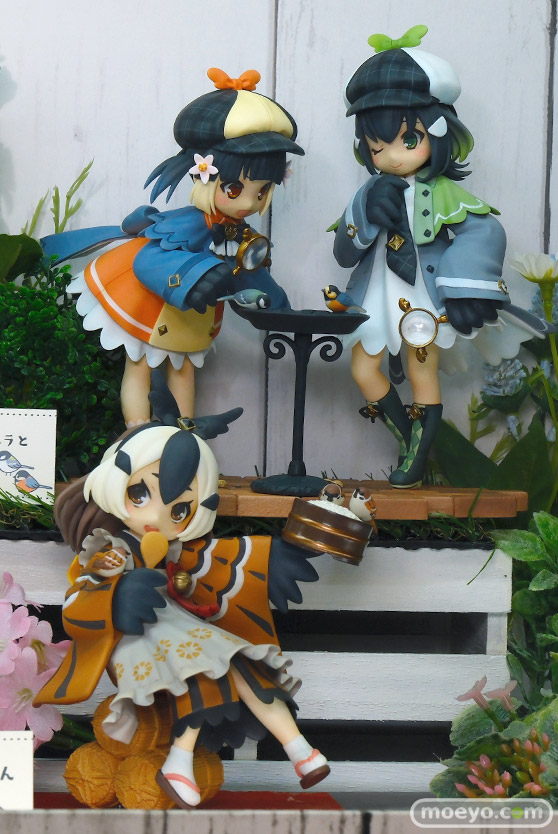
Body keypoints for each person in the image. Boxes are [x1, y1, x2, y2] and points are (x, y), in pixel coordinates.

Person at [34, 382, 329, 809]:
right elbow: (80, 603)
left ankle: (297, 748)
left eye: (179, 510)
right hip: (135, 645)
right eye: (140, 493)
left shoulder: (181, 552)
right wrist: (117, 600)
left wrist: (286, 554)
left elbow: (230, 562)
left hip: (184, 637)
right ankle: (184, 759)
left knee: (240, 661)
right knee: (207, 662)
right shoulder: (110, 548)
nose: (157, 515)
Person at [332, 26, 550, 488]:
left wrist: (465, 287)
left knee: (421, 370)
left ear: (438, 132)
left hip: (423, 296)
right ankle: (410, 439)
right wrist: (366, 210)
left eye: (407, 141)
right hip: (375, 295)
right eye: (377, 147)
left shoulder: (445, 192)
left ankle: (415, 458)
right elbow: (346, 250)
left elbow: (483, 231)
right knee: (363, 368)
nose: (392, 157)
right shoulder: (370, 191)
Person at [41, 68, 304, 427]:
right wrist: (202, 275)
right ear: (204, 174)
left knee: (183, 369)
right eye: (233, 189)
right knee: (139, 365)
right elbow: (150, 259)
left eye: (261, 192)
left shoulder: (239, 232)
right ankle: (137, 431)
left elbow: (250, 271)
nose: (247, 203)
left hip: (190, 314)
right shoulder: (188, 223)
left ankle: (185, 432)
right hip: (148, 301)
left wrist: (280, 309)